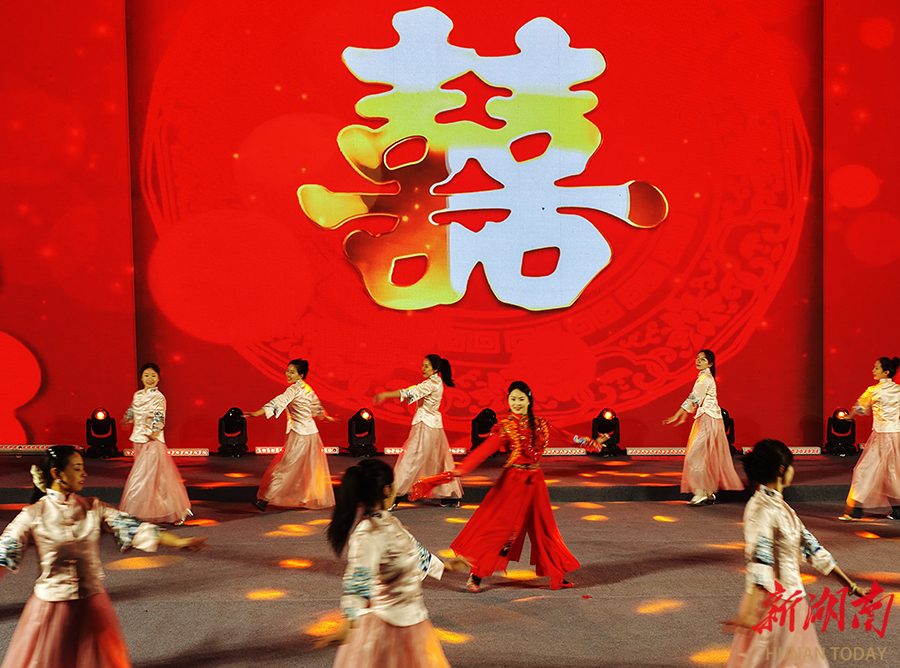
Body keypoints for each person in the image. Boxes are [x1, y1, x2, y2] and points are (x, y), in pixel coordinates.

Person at [0, 446, 208, 668]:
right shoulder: (33, 514)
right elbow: (4, 553)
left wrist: (178, 542)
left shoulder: (92, 507)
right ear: (57, 474)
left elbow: (133, 528)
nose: (84, 474)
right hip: (50, 605)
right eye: (77, 468)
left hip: (90, 604)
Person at [440, 381, 607, 593]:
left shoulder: (541, 425)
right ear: (508, 402)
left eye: (521, 399)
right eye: (513, 399)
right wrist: (459, 471)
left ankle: (557, 575)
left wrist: (592, 442)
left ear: (529, 401)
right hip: (513, 484)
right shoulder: (507, 428)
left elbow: (568, 437)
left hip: (535, 483)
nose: (517, 403)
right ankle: (477, 573)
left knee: (545, 530)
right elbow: (483, 451)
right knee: (501, 530)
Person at [722, 439, 867, 668]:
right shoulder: (762, 509)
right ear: (782, 469)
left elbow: (813, 548)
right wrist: (750, 612)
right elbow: (760, 560)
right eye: (792, 465)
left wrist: (851, 585)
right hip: (773, 604)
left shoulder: (781, 507)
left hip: (792, 600)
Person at [318, 458, 469, 668]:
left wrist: (444, 566)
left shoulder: (390, 522)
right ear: (388, 489)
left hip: (413, 619)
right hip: (387, 626)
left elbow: (413, 550)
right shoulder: (367, 535)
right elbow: (358, 578)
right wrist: (348, 621)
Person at [244, 358, 336, 511]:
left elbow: (278, 402)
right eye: (287, 371)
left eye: (292, 372)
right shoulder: (307, 388)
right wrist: (325, 417)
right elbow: (316, 406)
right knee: (308, 468)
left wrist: (256, 413)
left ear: (301, 375)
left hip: (301, 435)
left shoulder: (294, 390)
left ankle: (265, 499)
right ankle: (306, 497)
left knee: (286, 466)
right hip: (312, 434)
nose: (288, 374)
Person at [373, 354, 462, 505]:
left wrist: (386, 394)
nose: (423, 368)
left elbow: (409, 392)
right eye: (423, 365)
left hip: (425, 426)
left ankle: (394, 495)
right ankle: (450, 497)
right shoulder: (436, 382)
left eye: (427, 366)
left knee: (411, 459)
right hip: (433, 426)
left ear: (436, 369)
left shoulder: (431, 384)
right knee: (439, 461)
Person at [663, 349, 742, 505]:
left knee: (694, 456)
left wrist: (677, 415)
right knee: (704, 457)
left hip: (708, 419)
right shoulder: (704, 377)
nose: (698, 361)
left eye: (703, 359)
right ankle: (707, 491)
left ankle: (700, 491)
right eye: (698, 358)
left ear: (710, 363)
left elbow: (694, 398)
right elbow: (696, 400)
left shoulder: (705, 378)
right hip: (707, 418)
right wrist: (683, 416)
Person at [120, 362, 191, 524]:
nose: (150, 378)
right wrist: (127, 418)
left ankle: (136, 513)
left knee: (141, 477)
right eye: (146, 375)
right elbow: (132, 409)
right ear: (141, 378)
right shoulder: (138, 395)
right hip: (137, 440)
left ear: (158, 378)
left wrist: (156, 431)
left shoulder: (159, 397)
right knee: (153, 479)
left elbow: (160, 415)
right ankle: (162, 510)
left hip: (152, 441)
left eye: (153, 375)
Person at [838, 356, 900, 521]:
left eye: (877, 368)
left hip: (882, 436)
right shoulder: (898, 390)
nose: (873, 370)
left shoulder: (874, 390)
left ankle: (855, 510)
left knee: (864, 470)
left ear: (886, 372)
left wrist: (848, 417)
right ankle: (897, 510)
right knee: (893, 472)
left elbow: (859, 407)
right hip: (896, 435)